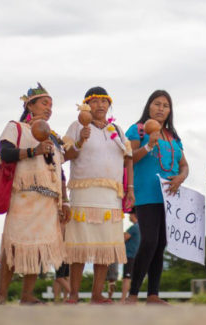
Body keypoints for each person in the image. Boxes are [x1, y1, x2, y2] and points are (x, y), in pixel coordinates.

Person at [0, 83, 68, 305]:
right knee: (13, 244)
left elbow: (60, 172)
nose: (49, 108)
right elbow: (6, 153)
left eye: (51, 105)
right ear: (30, 105)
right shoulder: (16, 127)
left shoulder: (53, 138)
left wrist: (65, 200)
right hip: (24, 195)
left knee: (38, 247)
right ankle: (1, 295)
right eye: (45, 103)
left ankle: (27, 295)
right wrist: (32, 151)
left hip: (48, 200)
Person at [62, 86, 134, 304]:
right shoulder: (77, 126)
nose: (100, 105)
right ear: (86, 105)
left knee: (104, 245)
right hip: (84, 192)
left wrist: (130, 189)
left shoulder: (117, 131)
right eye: (95, 101)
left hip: (111, 195)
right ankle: (73, 294)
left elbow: (128, 158)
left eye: (104, 101)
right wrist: (81, 141)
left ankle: (97, 294)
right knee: (80, 245)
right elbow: (66, 155)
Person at [125, 90, 189, 305]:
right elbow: (129, 159)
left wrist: (180, 178)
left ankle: (153, 295)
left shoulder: (173, 136)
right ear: (149, 106)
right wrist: (149, 145)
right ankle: (133, 294)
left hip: (170, 197)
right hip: (147, 193)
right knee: (149, 240)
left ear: (170, 110)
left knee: (161, 243)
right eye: (157, 104)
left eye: (166, 105)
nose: (161, 108)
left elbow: (184, 165)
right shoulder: (137, 130)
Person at [120, 209, 140, 303]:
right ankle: (131, 297)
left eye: (130, 214)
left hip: (130, 255)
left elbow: (123, 238)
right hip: (137, 255)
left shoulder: (134, 228)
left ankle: (123, 299)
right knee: (131, 277)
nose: (128, 216)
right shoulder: (141, 227)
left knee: (126, 278)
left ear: (134, 215)